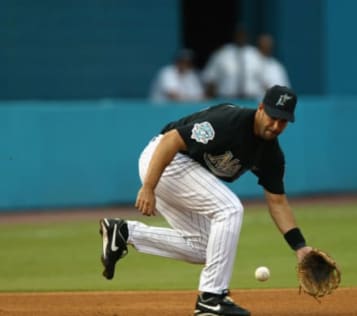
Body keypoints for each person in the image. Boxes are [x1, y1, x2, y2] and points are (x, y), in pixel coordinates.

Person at [99, 85, 314, 316]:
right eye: (273, 117)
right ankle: (211, 297)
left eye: (283, 121)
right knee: (229, 209)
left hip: (179, 171)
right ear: (261, 108)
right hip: (164, 160)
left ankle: (123, 233)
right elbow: (171, 140)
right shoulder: (229, 122)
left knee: (204, 248)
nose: (276, 125)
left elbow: (278, 203)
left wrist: (300, 248)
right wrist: (148, 187)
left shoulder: (271, 155)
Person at [202, 26, 263, 100]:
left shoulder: (255, 54)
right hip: (226, 98)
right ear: (234, 36)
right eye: (238, 35)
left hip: (251, 99)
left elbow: (263, 80)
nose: (241, 37)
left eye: (243, 35)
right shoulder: (222, 53)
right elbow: (210, 78)